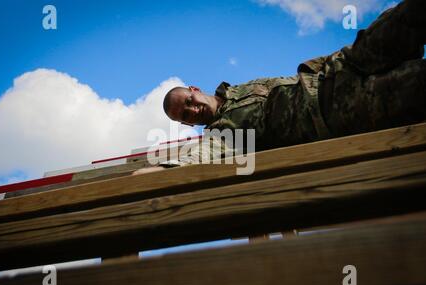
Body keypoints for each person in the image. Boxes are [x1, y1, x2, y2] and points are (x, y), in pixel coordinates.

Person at [134, 0, 426, 175]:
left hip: (344, 65)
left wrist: (331, 62)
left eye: (188, 102)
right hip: (339, 108)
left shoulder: (239, 89)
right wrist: (163, 169)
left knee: (405, 17)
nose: (193, 111)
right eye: (186, 117)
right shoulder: (223, 134)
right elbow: (200, 156)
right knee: (416, 82)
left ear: (194, 89)